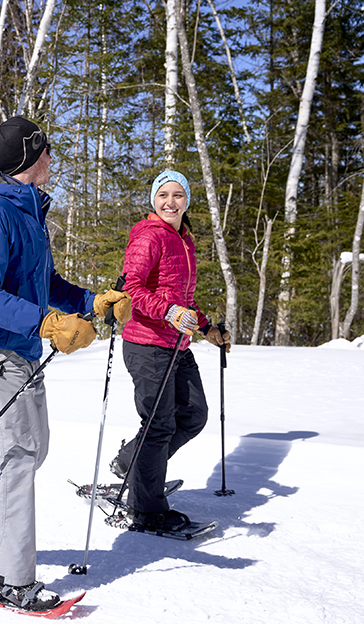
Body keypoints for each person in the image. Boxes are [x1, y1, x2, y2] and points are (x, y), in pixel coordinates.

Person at [0, 116, 131, 612]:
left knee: (33, 451)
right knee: (17, 458)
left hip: (22, 350)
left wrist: (92, 302)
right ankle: (9, 580)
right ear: (32, 159)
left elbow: (45, 284)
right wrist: (49, 324)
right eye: (48, 151)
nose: (53, 158)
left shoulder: (31, 212)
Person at [108, 170, 231, 531]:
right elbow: (132, 288)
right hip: (147, 344)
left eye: (178, 195)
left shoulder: (184, 240)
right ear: (153, 200)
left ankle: (132, 462)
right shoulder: (148, 236)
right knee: (159, 424)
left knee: (193, 415)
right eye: (163, 195)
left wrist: (206, 326)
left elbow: (184, 299)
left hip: (176, 343)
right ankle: (147, 511)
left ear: (186, 201)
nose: (170, 202)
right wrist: (168, 312)